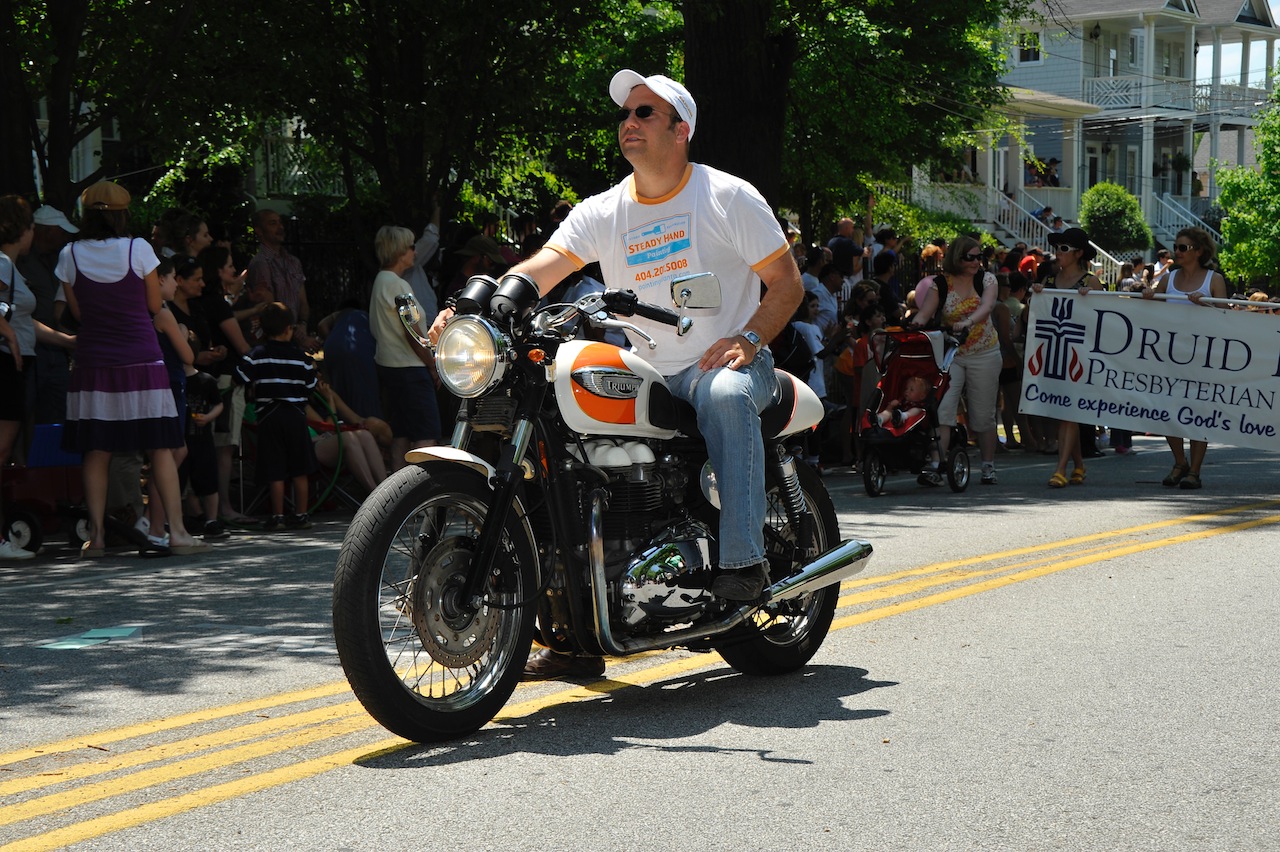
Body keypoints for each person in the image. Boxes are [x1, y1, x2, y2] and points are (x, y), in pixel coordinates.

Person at [430, 69, 803, 678]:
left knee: (724, 392)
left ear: (680, 129)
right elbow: (547, 265)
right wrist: (484, 305)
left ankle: (744, 562)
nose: (629, 122)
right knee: (562, 436)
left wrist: (749, 337)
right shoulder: (604, 210)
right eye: (626, 114)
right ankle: (572, 629)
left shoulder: (726, 197)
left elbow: (786, 284)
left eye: (644, 113)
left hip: (729, 363)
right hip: (646, 369)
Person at [55, 181, 208, 556]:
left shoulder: (69, 254)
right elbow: (154, 306)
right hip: (141, 358)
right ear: (122, 214)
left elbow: (77, 312)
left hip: (94, 361)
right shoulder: (138, 249)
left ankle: (96, 537)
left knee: (97, 449)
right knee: (160, 447)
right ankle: (177, 533)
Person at [1141, 227, 1227, 490]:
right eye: (1176, 247)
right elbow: (1150, 315)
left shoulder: (1214, 279)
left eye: (1182, 248)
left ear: (1198, 251)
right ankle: (1180, 462)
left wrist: (1207, 304)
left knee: (1199, 414)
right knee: (1168, 412)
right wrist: (1148, 297)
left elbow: (1228, 319)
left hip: (1203, 359)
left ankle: (1195, 471)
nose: (1176, 252)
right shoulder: (1168, 279)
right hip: (1170, 358)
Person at [910, 236, 1001, 485]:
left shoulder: (986, 279)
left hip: (984, 353)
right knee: (943, 409)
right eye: (970, 257)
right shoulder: (941, 284)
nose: (976, 262)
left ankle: (988, 465)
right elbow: (925, 313)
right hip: (952, 354)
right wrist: (914, 324)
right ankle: (936, 464)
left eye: (979, 257)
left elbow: (987, 306)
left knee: (983, 415)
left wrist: (968, 322)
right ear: (957, 257)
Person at [235, 302, 318, 529]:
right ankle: (301, 514)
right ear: (289, 329)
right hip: (295, 416)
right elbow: (310, 386)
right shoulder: (301, 358)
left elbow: (240, 375)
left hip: (269, 417)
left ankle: (278, 516)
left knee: (275, 468)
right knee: (300, 468)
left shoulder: (257, 355)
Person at [1031, 228, 1103, 488]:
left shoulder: (1091, 282)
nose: (1057, 253)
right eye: (1057, 248)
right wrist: (1036, 296)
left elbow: (1106, 320)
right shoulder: (1049, 280)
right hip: (1052, 353)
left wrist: (1091, 301)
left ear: (1078, 253)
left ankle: (1060, 469)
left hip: (1079, 356)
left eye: (1063, 249)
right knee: (1062, 412)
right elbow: (1035, 317)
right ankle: (1079, 465)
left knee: (1068, 412)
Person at [370, 225, 441, 470]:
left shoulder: (381, 280)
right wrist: (432, 365)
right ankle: (425, 489)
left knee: (401, 433)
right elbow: (412, 332)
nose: (415, 251)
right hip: (410, 369)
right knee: (426, 435)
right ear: (400, 251)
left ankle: (399, 488)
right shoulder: (397, 285)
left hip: (390, 367)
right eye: (411, 247)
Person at [246, 208, 311, 346]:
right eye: (273, 223)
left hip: (293, 337)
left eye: (280, 222)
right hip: (273, 342)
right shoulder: (260, 263)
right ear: (259, 231)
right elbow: (269, 309)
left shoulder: (294, 262)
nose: (280, 227)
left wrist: (303, 324)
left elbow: (303, 300)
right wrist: (296, 333)